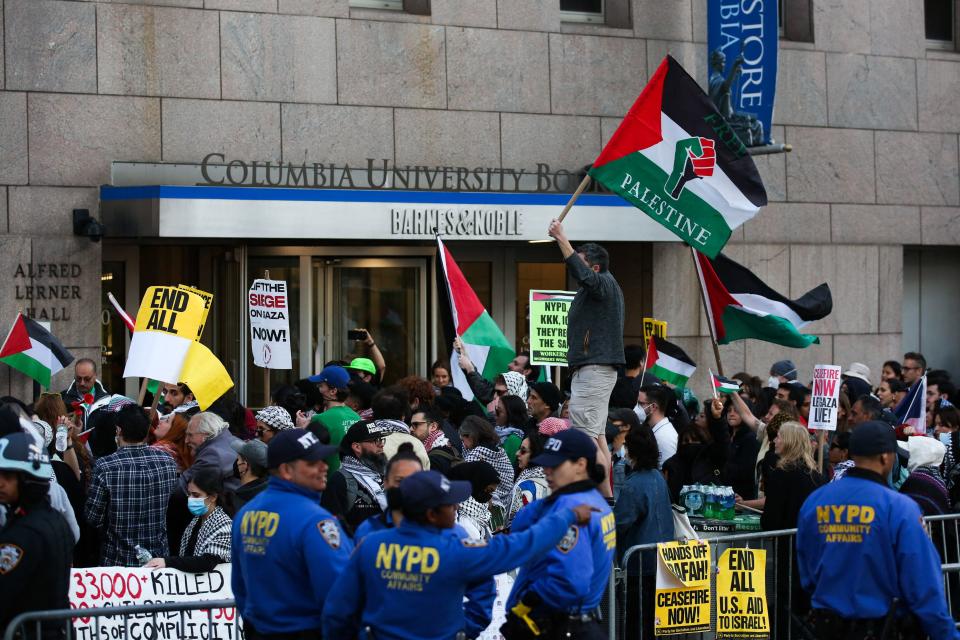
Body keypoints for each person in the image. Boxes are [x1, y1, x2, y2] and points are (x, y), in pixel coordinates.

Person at [322, 469, 596, 640]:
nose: (456, 507)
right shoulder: (455, 552)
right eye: (449, 503)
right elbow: (522, 545)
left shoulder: (370, 545)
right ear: (431, 514)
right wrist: (567, 516)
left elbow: (337, 611)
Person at [797, 421, 960, 639]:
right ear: (886, 457)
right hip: (882, 628)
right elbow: (923, 585)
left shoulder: (815, 502)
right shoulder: (900, 509)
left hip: (827, 627)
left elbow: (806, 573)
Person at [233, 428, 352, 640]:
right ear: (287, 470)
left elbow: (240, 588)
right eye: (313, 462)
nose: (324, 467)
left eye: (323, 459)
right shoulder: (315, 521)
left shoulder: (246, 514)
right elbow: (340, 594)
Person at [502, 429, 614, 640]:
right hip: (579, 622)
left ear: (581, 465)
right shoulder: (596, 500)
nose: (547, 471)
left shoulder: (571, 507)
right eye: (546, 464)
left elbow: (570, 581)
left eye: (556, 465)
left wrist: (529, 603)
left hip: (557, 625)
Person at [547, 220, 624, 501]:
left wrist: (560, 238)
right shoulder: (599, 288)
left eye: (580, 264)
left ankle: (605, 500)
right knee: (597, 437)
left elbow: (582, 273)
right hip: (593, 370)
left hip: (595, 369)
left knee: (587, 439)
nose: (574, 270)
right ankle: (607, 497)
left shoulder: (602, 282)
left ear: (594, 267)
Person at [0, 432, 73, 639]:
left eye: (8, 476)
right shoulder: (56, 519)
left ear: (27, 479)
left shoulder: (23, 534)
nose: (0, 483)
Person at [85, 404, 179, 566]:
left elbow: (93, 518)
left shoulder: (106, 466)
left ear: (118, 431)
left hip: (117, 562)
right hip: (158, 560)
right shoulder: (168, 462)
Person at [761, 421, 824, 637]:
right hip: (812, 556)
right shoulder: (817, 476)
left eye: (778, 436)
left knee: (786, 612)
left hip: (788, 555)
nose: (774, 441)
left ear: (789, 442)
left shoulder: (782, 474)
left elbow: (770, 521)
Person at [613, 423, 673, 640]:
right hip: (659, 563)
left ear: (633, 450)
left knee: (636, 625)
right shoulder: (657, 477)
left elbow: (619, 523)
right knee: (650, 625)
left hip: (638, 566)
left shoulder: (634, 485)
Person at [145, 468, 232, 572]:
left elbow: (207, 562)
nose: (190, 498)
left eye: (196, 495)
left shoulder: (224, 525)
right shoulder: (195, 521)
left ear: (213, 497)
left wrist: (168, 562)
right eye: (189, 494)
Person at [322, 420, 389, 533]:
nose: (381, 444)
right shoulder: (340, 480)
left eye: (381, 440)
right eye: (376, 441)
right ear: (357, 447)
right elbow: (332, 525)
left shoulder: (387, 474)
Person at [353, 452, 423, 542]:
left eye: (414, 480)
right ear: (386, 483)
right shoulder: (367, 530)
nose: (406, 487)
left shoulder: (437, 530)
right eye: (399, 481)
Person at [459, 415, 515, 526]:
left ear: (470, 436)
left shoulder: (475, 456)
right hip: (505, 511)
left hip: (484, 515)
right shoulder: (500, 452)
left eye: (463, 440)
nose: (464, 445)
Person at [307, 365, 360, 476]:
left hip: (329, 482)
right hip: (353, 481)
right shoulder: (356, 417)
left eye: (321, 386)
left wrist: (303, 429)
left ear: (333, 391)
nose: (318, 389)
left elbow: (310, 454)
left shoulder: (319, 419)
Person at [184, 412, 241, 493]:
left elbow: (183, 487)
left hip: (226, 503)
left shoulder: (212, 454)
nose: (186, 441)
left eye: (190, 435)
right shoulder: (233, 440)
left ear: (206, 434)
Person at [899, 435, 949, 516]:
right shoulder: (934, 476)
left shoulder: (917, 480)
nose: (904, 456)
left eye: (909, 452)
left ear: (920, 455)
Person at [507, 433, 550, 528]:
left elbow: (513, 526)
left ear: (536, 454)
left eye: (523, 451)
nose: (517, 453)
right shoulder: (554, 481)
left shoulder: (524, 487)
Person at [222, 439, 269, 517]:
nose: (237, 462)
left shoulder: (243, 500)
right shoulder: (269, 491)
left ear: (244, 465)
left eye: (238, 459)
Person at [637, 384, 678, 469]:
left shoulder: (665, 437)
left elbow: (665, 472)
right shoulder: (651, 429)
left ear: (653, 407)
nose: (636, 408)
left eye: (640, 403)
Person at [494, 394, 527, 464]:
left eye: (498, 411)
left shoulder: (513, 439)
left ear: (510, 415)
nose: (494, 413)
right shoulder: (499, 432)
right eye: (495, 409)